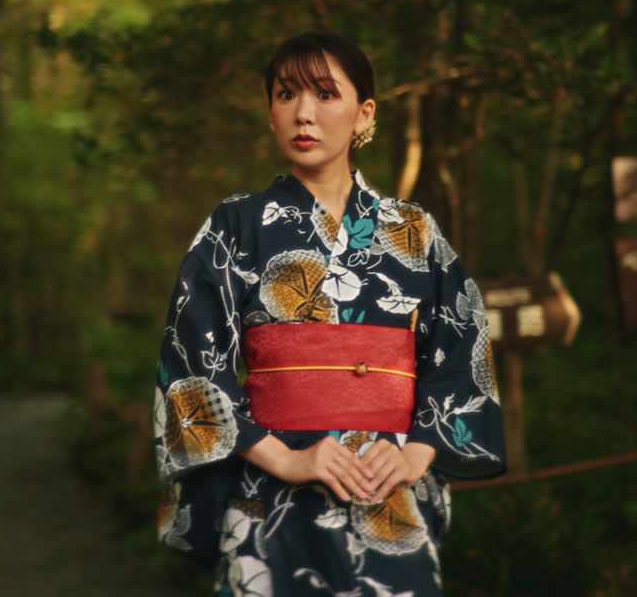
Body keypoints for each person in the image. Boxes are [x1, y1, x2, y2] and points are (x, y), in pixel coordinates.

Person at [153, 32, 505, 596]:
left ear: (364, 114)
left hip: (388, 489)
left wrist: (417, 452)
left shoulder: (412, 231)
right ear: (270, 113)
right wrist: (288, 462)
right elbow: (193, 365)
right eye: (286, 94)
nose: (304, 113)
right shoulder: (234, 225)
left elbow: (464, 349)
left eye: (324, 94)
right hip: (269, 490)